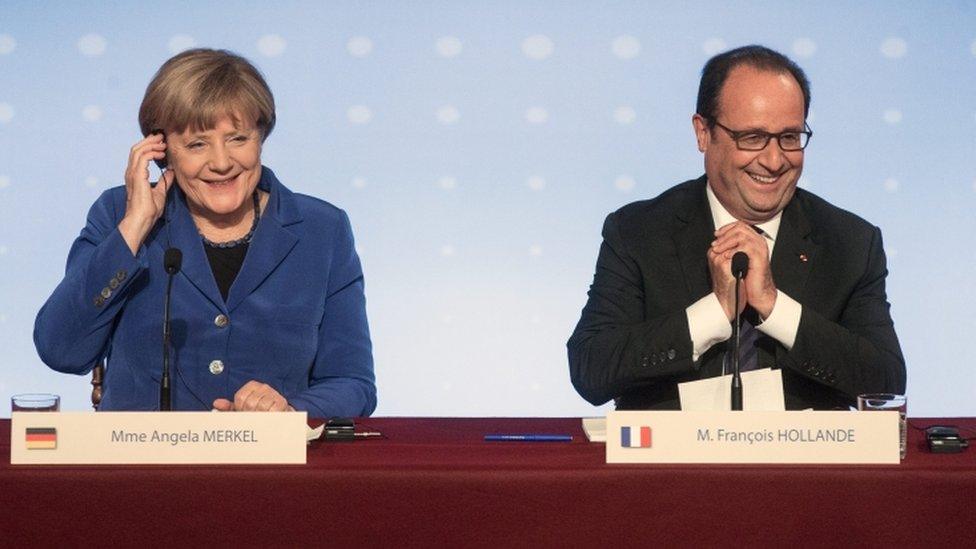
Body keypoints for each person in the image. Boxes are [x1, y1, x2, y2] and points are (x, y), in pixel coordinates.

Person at [34, 49, 376, 416]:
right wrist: (134, 229)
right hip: (141, 465)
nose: (222, 162)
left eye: (238, 139)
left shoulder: (322, 230)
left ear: (261, 136)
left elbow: (353, 384)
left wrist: (289, 411)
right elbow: (61, 349)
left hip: (268, 466)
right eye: (197, 144)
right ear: (161, 150)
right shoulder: (118, 214)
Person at [568, 45, 905, 410]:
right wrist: (714, 312)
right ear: (703, 133)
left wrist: (775, 308)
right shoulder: (638, 231)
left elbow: (885, 383)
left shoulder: (851, 243)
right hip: (673, 462)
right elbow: (591, 369)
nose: (774, 160)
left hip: (801, 461)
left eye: (789, 138)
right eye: (752, 137)